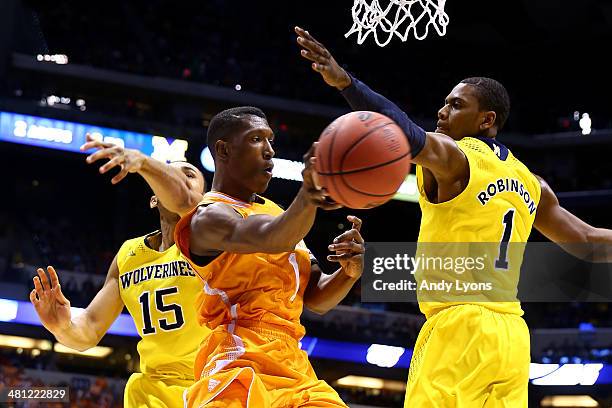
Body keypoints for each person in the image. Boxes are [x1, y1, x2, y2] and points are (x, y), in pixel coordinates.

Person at [295, 26, 612, 407]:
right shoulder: (534, 184)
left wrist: (346, 82)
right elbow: (591, 242)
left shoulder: (456, 157)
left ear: (486, 119)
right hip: (511, 337)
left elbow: (400, 130)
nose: (443, 112)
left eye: (457, 105)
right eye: (445, 103)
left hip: (457, 328)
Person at [153, 106, 365, 407]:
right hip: (239, 357)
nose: (269, 151)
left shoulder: (279, 214)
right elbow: (271, 237)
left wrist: (349, 271)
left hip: (294, 363)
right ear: (224, 150)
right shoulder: (208, 216)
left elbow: (316, 299)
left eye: (270, 140)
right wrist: (308, 195)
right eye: (256, 139)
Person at [30, 144, 209, 408]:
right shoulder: (129, 254)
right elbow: (89, 329)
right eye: (170, 176)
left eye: (189, 177)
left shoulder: (212, 243)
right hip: (150, 394)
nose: (179, 181)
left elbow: (186, 202)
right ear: (154, 197)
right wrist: (62, 327)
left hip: (208, 387)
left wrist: (143, 162)